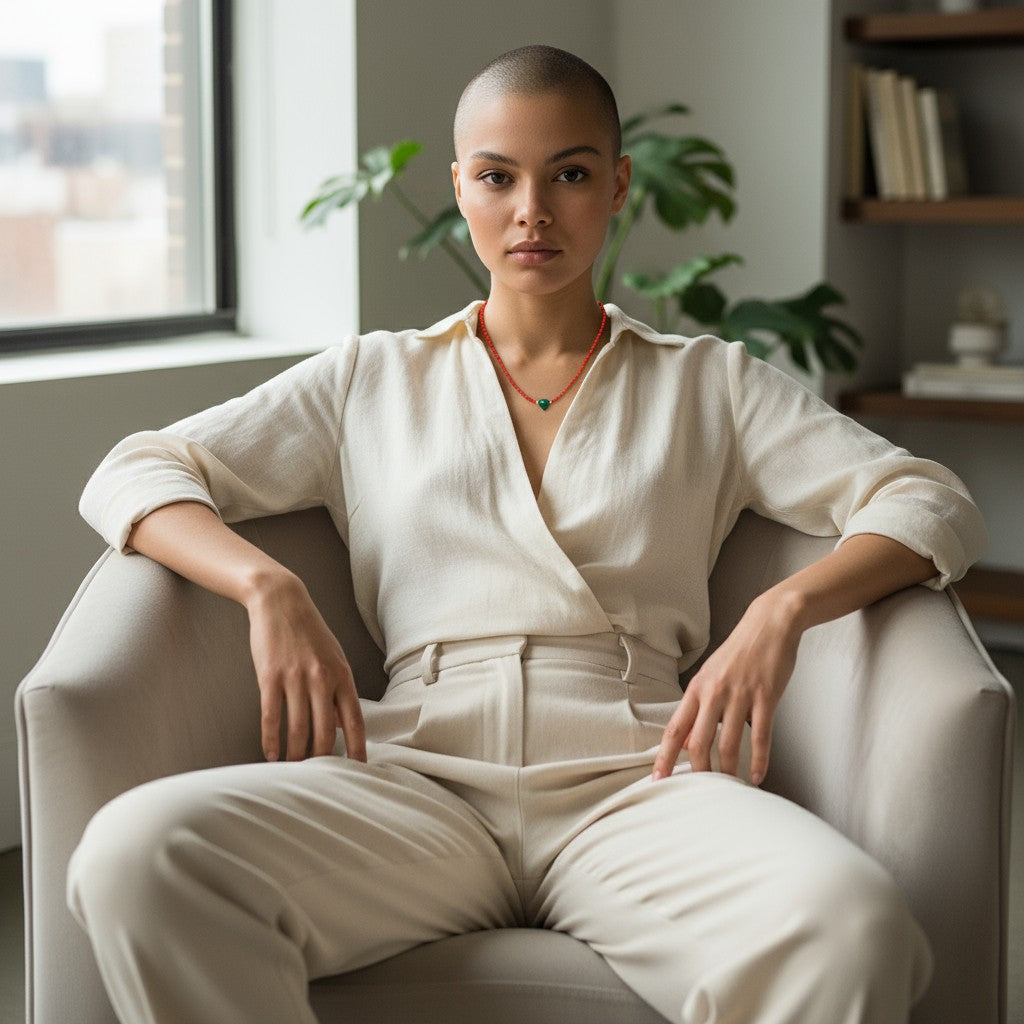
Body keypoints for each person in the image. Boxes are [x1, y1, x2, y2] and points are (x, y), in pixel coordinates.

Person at [67, 44, 986, 1024]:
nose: (531, 212)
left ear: (617, 185)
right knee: (136, 853)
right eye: (498, 176)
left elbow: (925, 497)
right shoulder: (369, 380)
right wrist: (267, 587)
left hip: (640, 782)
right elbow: (139, 468)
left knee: (851, 924)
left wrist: (784, 608)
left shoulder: (706, 384)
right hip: (416, 780)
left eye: (571, 175)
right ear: (458, 184)